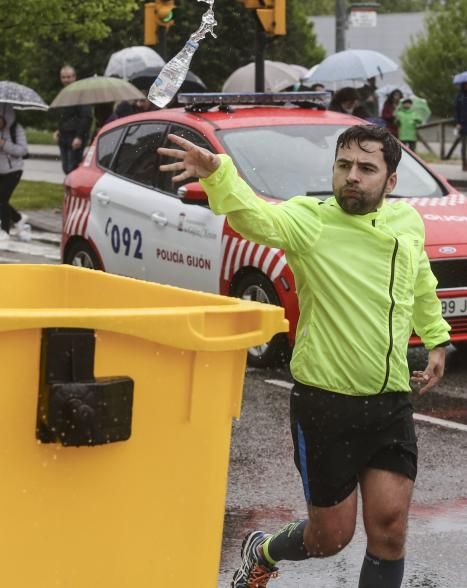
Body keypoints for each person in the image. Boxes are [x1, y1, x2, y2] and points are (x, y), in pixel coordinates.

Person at [157, 124, 450, 588]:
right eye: (344, 165)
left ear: (390, 181)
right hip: (325, 406)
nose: (352, 176)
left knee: (390, 530)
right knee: (330, 536)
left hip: (390, 400)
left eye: (366, 168)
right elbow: (252, 216)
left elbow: (420, 284)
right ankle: (265, 550)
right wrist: (219, 174)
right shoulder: (309, 220)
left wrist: (437, 338)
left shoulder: (407, 223)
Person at [54, 65, 93, 174]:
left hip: (75, 136)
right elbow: (62, 115)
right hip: (63, 136)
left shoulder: (81, 94)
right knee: (66, 168)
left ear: (74, 77)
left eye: (69, 77)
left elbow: (86, 117)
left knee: (73, 168)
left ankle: (74, 191)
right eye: (63, 77)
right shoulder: (63, 93)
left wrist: (79, 137)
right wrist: (58, 130)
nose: (66, 80)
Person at [0, 105, 29, 241]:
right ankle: (18, 218)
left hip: (14, 170)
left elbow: (22, 151)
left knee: (2, 199)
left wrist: (4, 144)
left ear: (6, 117)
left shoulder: (16, 129)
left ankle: (5, 231)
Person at [454, 81, 467, 171]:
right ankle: (464, 164)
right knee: (464, 146)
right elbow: (456, 110)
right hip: (463, 124)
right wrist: (458, 122)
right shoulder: (459, 96)